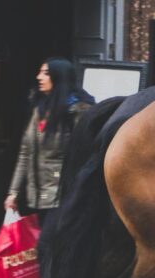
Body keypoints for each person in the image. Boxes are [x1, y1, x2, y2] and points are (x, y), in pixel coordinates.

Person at [5, 58, 95, 226]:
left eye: (46, 73)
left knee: (46, 245)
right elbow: (25, 153)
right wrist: (14, 192)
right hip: (39, 195)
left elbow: (85, 154)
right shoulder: (38, 109)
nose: (39, 77)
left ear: (59, 77)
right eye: (40, 72)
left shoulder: (77, 111)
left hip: (64, 196)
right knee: (45, 245)